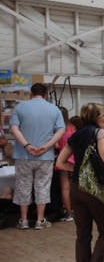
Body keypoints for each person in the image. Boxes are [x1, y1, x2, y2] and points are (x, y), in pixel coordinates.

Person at [55, 103, 104, 262]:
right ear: (96, 117)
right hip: (96, 189)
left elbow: (60, 162)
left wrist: (79, 170)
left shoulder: (76, 135)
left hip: (76, 188)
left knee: (83, 234)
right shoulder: (100, 134)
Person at [10, 83, 65, 230]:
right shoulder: (54, 109)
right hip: (45, 156)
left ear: (31, 93)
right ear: (46, 94)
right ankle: (40, 220)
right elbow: (61, 130)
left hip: (24, 155)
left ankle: (24, 220)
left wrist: (27, 145)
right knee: (43, 186)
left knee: (23, 185)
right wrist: (47, 146)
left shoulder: (20, 108)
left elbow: (14, 129)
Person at [55, 108, 79, 222]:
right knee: (74, 187)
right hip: (75, 161)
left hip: (63, 160)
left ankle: (69, 213)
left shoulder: (60, 131)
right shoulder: (74, 129)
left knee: (65, 188)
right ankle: (77, 210)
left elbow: (56, 146)